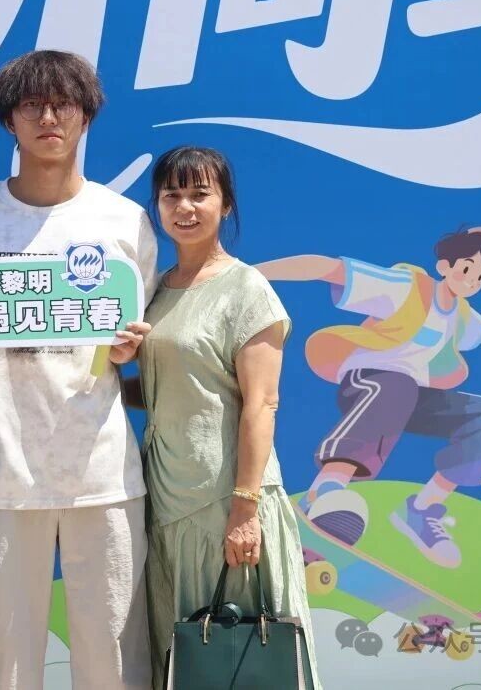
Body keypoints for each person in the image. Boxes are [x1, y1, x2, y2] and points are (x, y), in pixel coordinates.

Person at [0, 50, 156, 689]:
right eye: (32, 105)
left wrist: (131, 349)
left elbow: (141, 332)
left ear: (87, 117)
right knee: (3, 658)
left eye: (64, 105)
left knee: (113, 656)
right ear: (9, 120)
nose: (49, 118)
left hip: (101, 471)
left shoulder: (124, 220)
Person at [131, 146, 321, 690]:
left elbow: (261, 403)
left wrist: (245, 510)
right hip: (167, 501)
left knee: (247, 658)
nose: (184, 207)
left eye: (200, 194)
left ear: (226, 204)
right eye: (171, 195)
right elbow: (173, 388)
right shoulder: (155, 289)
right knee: (189, 659)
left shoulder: (246, 288)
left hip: (225, 504)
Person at [259, 227, 481, 567]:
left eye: (480, 276)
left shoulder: (461, 316)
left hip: (412, 395)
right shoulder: (408, 289)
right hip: (370, 379)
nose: (472, 281)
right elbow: (327, 268)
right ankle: (326, 488)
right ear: (444, 266)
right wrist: (253, 274)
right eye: (467, 269)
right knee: (397, 387)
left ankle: (422, 510)